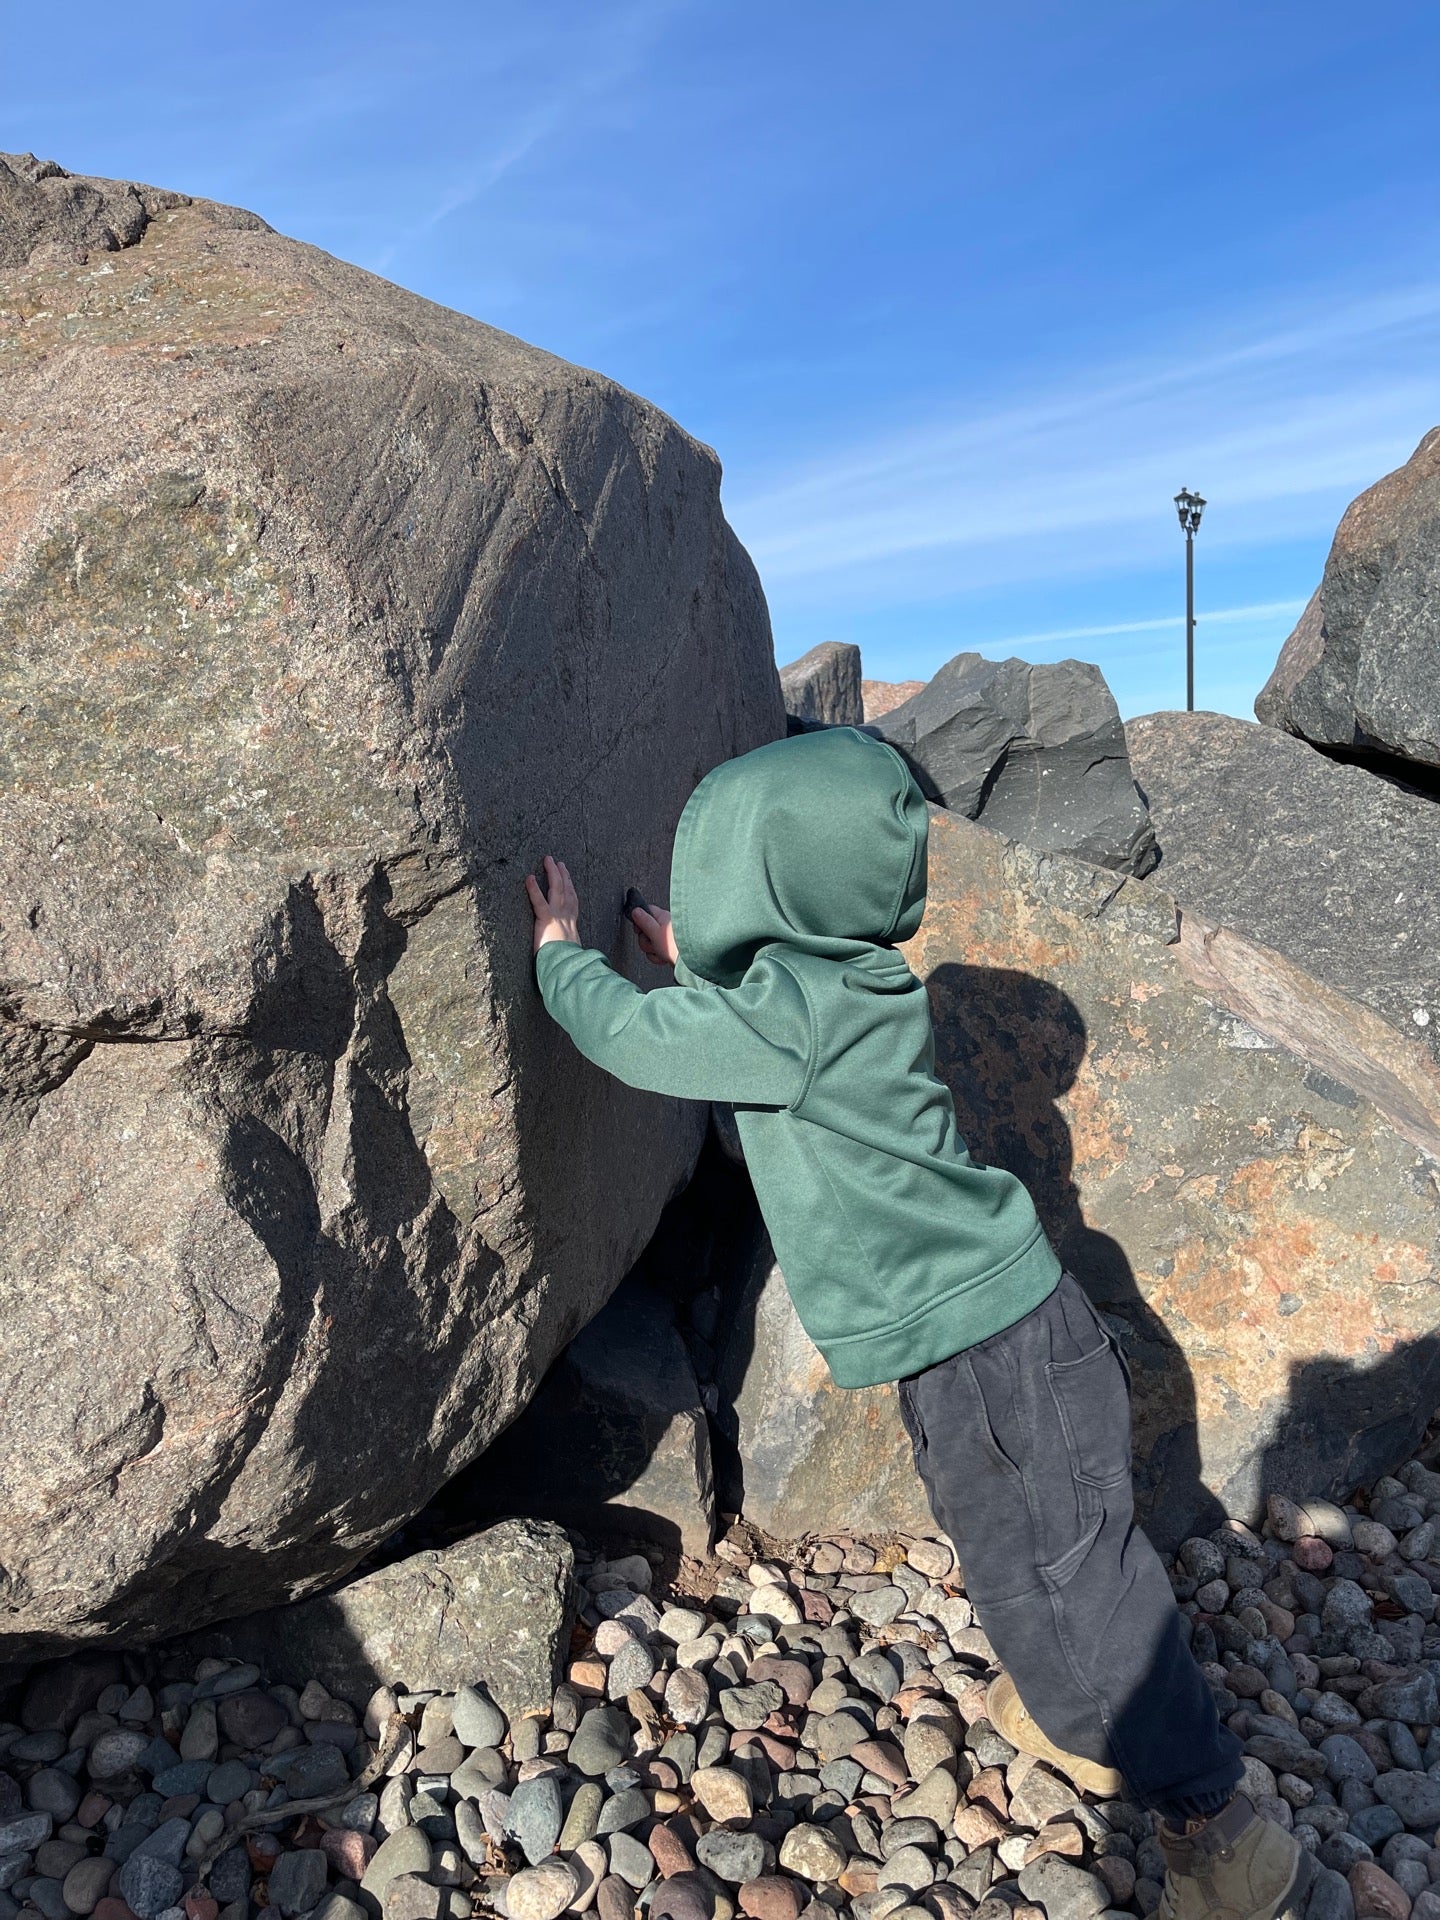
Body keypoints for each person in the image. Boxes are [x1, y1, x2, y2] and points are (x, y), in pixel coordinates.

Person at [526, 725, 1311, 1920]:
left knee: (1073, 1571)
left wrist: (557, 959)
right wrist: (694, 958)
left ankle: (1221, 1830)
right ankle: (1075, 1713)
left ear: (768, 884)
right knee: (1015, 1550)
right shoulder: (845, 982)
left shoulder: (792, 1011)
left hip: (997, 1354)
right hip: (995, 1340)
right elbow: (775, 1025)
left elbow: (637, 1040)